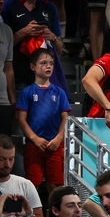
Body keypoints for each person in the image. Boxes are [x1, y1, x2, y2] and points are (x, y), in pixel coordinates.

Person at [16, 48, 71, 193]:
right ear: (33, 66)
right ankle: (32, 214)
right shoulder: (27, 91)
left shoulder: (59, 92)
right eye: (43, 63)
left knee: (55, 185)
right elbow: (21, 119)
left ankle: (55, 215)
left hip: (55, 144)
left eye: (51, 63)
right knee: (32, 185)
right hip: (34, 145)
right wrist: (35, 138)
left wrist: (59, 138)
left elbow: (65, 117)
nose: (48, 66)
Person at [1, 0, 64, 96]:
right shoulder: (9, 6)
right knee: (20, 115)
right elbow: (4, 45)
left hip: (43, 79)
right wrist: (24, 32)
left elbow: (60, 49)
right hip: (18, 76)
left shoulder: (49, 7)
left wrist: (53, 37)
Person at [0, 134, 44, 217]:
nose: (7, 164)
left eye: (11, 159)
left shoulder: (25, 185)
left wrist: (29, 215)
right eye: (2, 159)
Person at [0, 0, 15, 136]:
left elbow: (8, 68)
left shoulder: (7, 31)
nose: (1, 1)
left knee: (4, 147)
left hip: (3, 102)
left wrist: (12, 99)